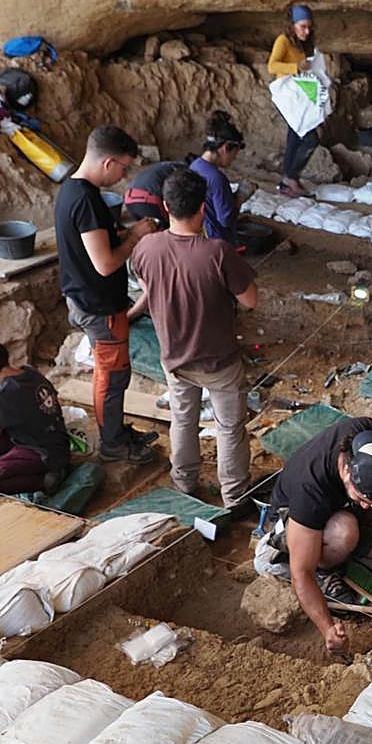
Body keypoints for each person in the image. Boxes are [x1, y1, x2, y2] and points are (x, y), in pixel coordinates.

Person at [130, 168, 258, 508]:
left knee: (183, 419)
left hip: (174, 358)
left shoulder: (146, 248)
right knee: (229, 428)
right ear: (203, 207)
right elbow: (251, 300)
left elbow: (147, 286)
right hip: (219, 361)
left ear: (165, 207)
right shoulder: (217, 252)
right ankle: (234, 494)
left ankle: (183, 483)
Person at [266, 417, 372, 653]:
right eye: (363, 498)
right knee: (345, 531)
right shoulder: (311, 486)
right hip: (292, 518)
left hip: (345, 506)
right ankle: (325, 569)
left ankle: (344, 552)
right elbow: (301, 574)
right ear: (346, 470)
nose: (368, 507)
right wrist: (327, 629)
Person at [56, 125, 159, 465]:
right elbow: (104, 263)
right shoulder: (85, 199)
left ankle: (114, 431)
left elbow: (98, 243)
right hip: (97, 303)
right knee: (113, 376)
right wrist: (137, 236)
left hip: (87, 296)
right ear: (108, 162)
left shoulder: (73, 189)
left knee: (113, 372)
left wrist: (126, 233)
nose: (124, 175)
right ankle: (112, 443)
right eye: (124, 168)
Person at [0, 339, 69, 497]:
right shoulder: (29, 371)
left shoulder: (0, 393)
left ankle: (44, 480)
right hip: (55, 441)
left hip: (41, 453)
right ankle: (18, 466)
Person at [267, 4, 319, 198]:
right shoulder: (283, 41)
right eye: (303, 26)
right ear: (292, 25)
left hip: (299, 95)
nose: (307, 31)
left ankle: (286, 183)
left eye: (309, 27)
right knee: (311, 138)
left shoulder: (302, 43)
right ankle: (291, 177)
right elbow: (272, 66)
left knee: (294, 137)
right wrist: (296, 66)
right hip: (287, 97)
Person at [188, 111, 245, 245]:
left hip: (199, 235)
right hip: (216, 241)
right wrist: (240, 198)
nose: (233, 159)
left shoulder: (195, 165)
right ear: (225, 148)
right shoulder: (217, 178)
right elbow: (225, 219)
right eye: (234, 154)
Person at [124, 159, 180, 228]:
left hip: (129, 200)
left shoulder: (167, 166)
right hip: (146, 201)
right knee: (168, 229)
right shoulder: (186, 173)